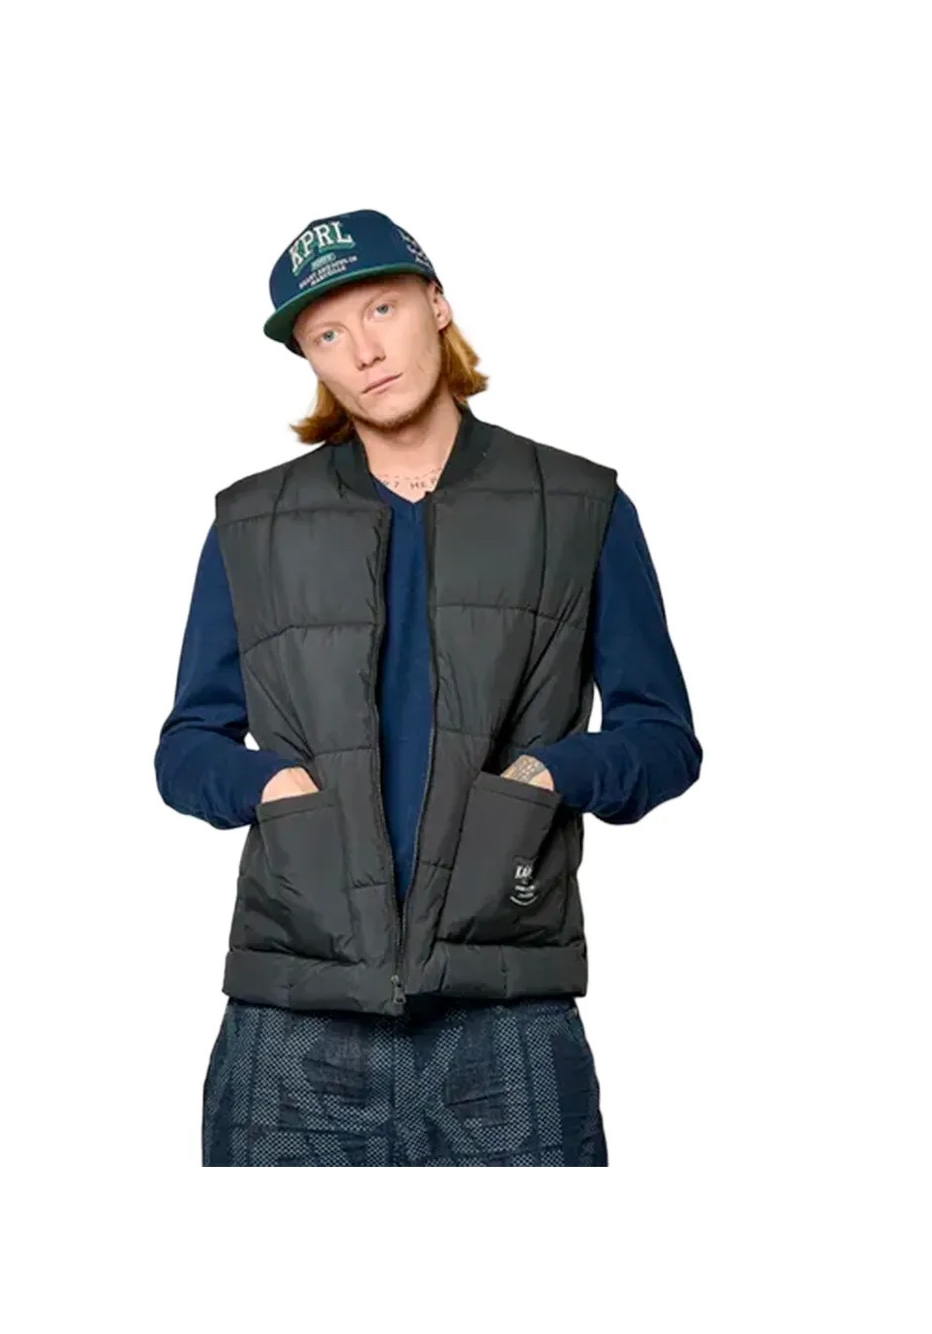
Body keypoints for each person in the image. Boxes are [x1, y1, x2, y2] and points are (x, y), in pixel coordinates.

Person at [154, 207, 702, 1166]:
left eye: (382, 309)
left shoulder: (580, 507)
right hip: (293, 1017)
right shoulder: (252, 524)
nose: (364, 350)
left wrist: (548, 776)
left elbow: (663, 737)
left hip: (509, 1016)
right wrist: (268, 787)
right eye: (328, 334)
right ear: (310, 361)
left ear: (436, 306)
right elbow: (186, 748)